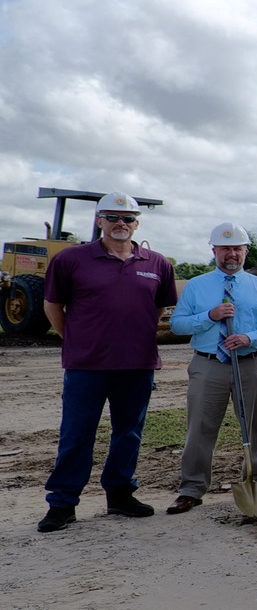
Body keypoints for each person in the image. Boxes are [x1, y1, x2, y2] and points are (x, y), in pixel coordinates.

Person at [37, 193, 180, 532]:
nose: (121, 223)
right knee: (76, 433)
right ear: (99, 220)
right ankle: (62, 503)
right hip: (86, 365)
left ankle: (119, 494)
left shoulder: (157, 263)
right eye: (113, 217)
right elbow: (52, 306)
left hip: (137, 364)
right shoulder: (72, 260)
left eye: (128, 218)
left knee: (128, 433)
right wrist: (74, 339)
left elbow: (157, 310)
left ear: (136, 224)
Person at [166, 222, 257, 514]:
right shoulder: (196, 286)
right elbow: (177, 324)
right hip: (209, 365)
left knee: (256, 426)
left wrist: (249, 337)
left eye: (236, 248)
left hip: (249, 363)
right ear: (214, 251)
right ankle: (191, 488)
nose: (231, 254)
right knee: (200, 427)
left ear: (245, 251)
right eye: (224, 249)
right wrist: (210, 315)